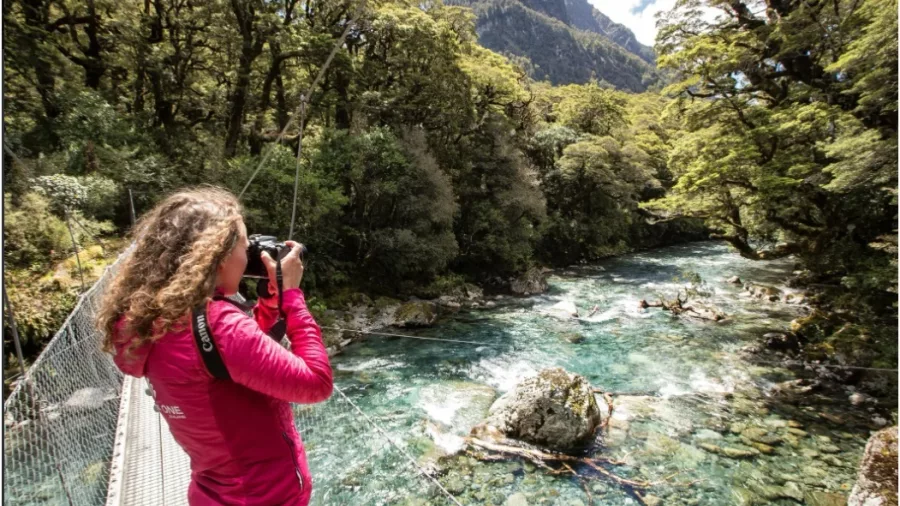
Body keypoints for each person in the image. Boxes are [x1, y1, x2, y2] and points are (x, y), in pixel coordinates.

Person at [97, 187, 333, 505]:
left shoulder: (150, 320)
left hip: (217, 493)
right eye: (242, 243)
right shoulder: (218, 326)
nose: (247, 253)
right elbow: (316, 384)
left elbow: (238, 362)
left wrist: (269, 301)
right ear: (218, 257)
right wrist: (292, 296)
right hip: (264, 496)